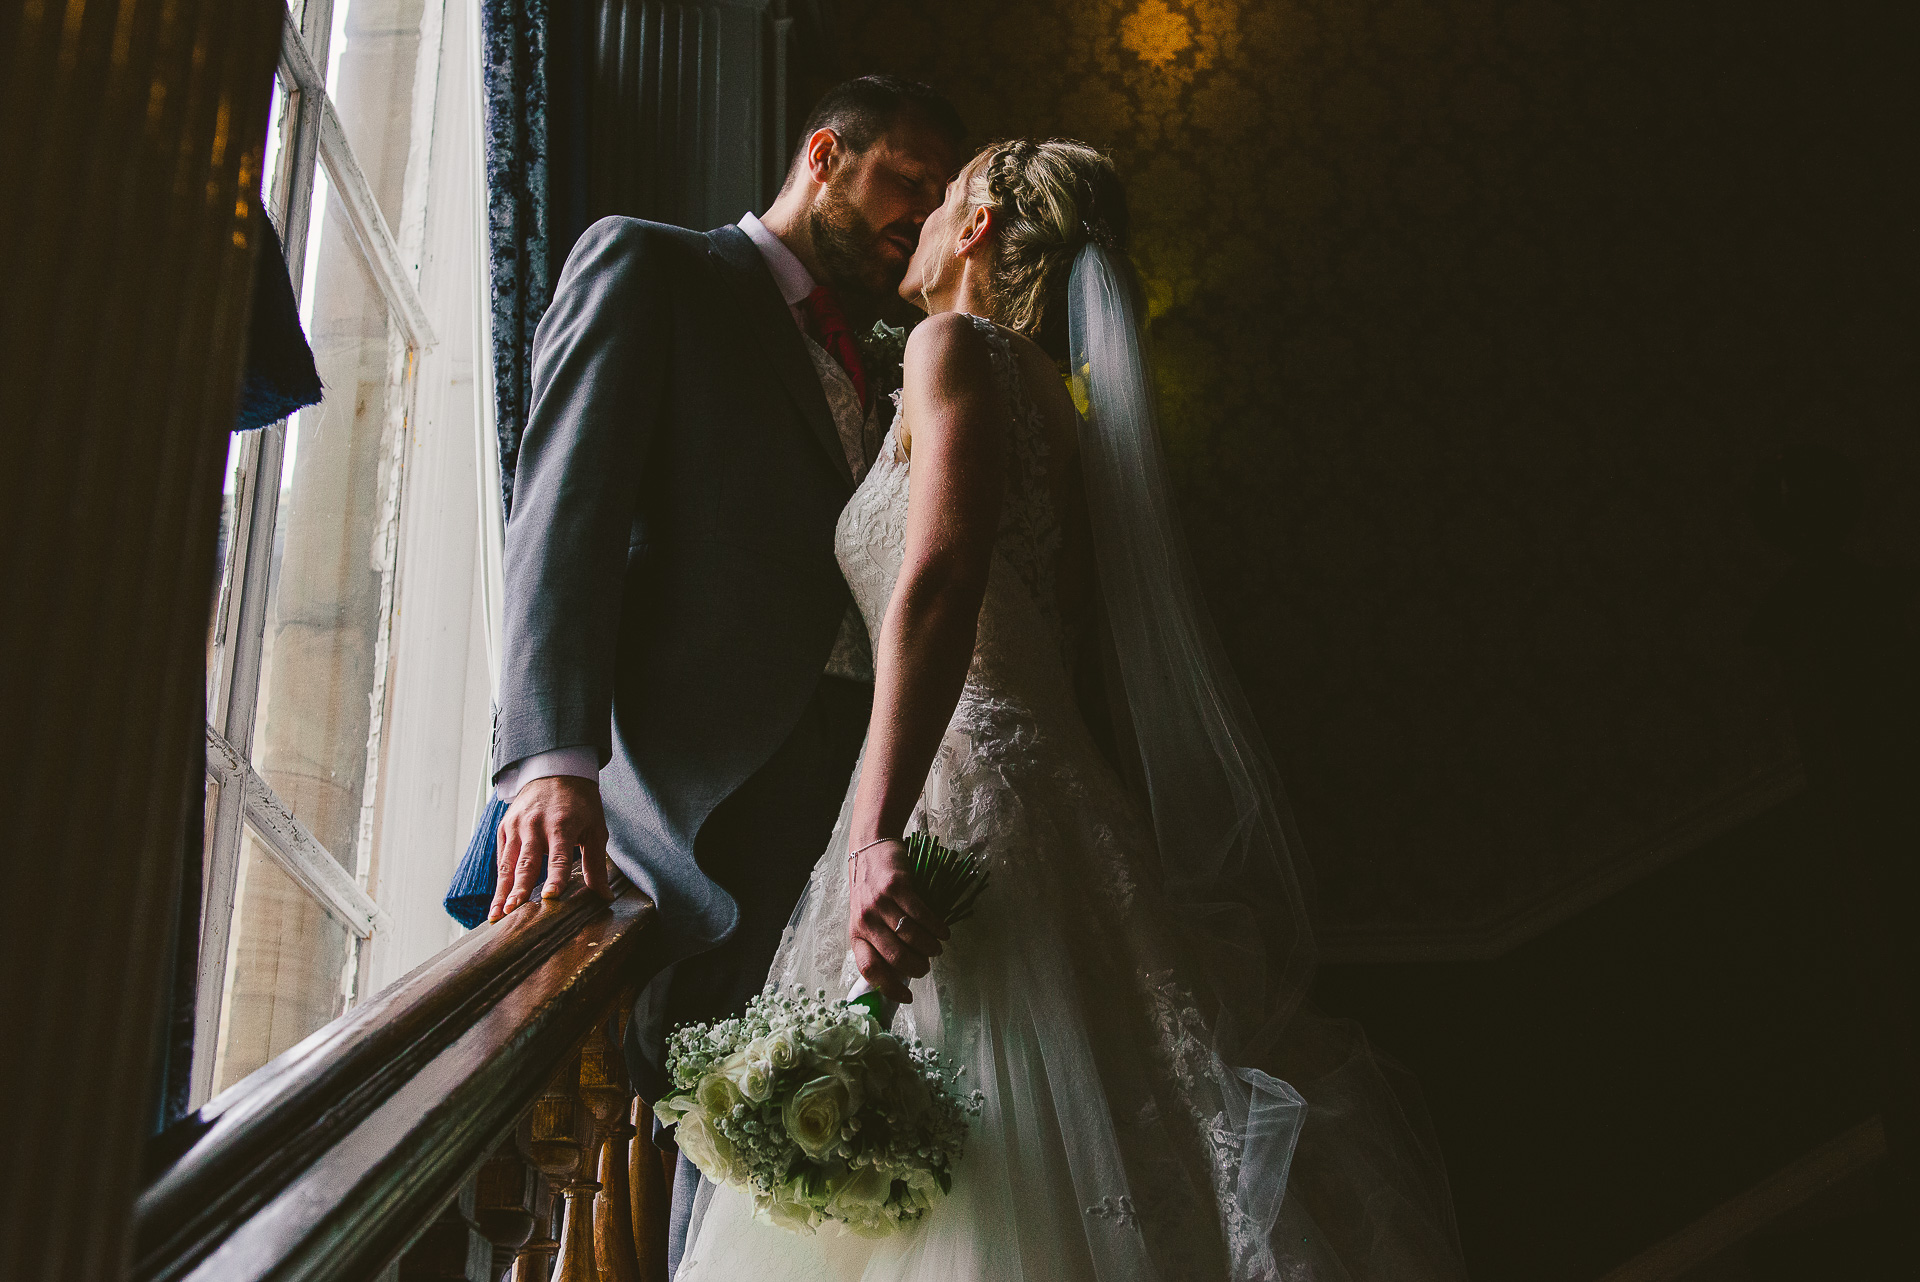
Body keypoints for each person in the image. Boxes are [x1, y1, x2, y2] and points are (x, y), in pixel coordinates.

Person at [674, 140, 1469, 1280]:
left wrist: (872, 835)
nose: (924, 217)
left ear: (983, 221)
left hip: (960, 795)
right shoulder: (1056, 397)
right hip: (1049, 791)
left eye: (944, 197)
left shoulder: (954, 349)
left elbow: (941, 584)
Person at [482, 76, 964, 1274]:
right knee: (680, 1135)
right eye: (909, 177)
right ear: (823, 154)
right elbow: (565, 513)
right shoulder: (653, 268)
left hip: (849, 808)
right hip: (693, 806)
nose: (926, 210)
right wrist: (552, 759)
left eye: (943, 194)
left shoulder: (898, 355)